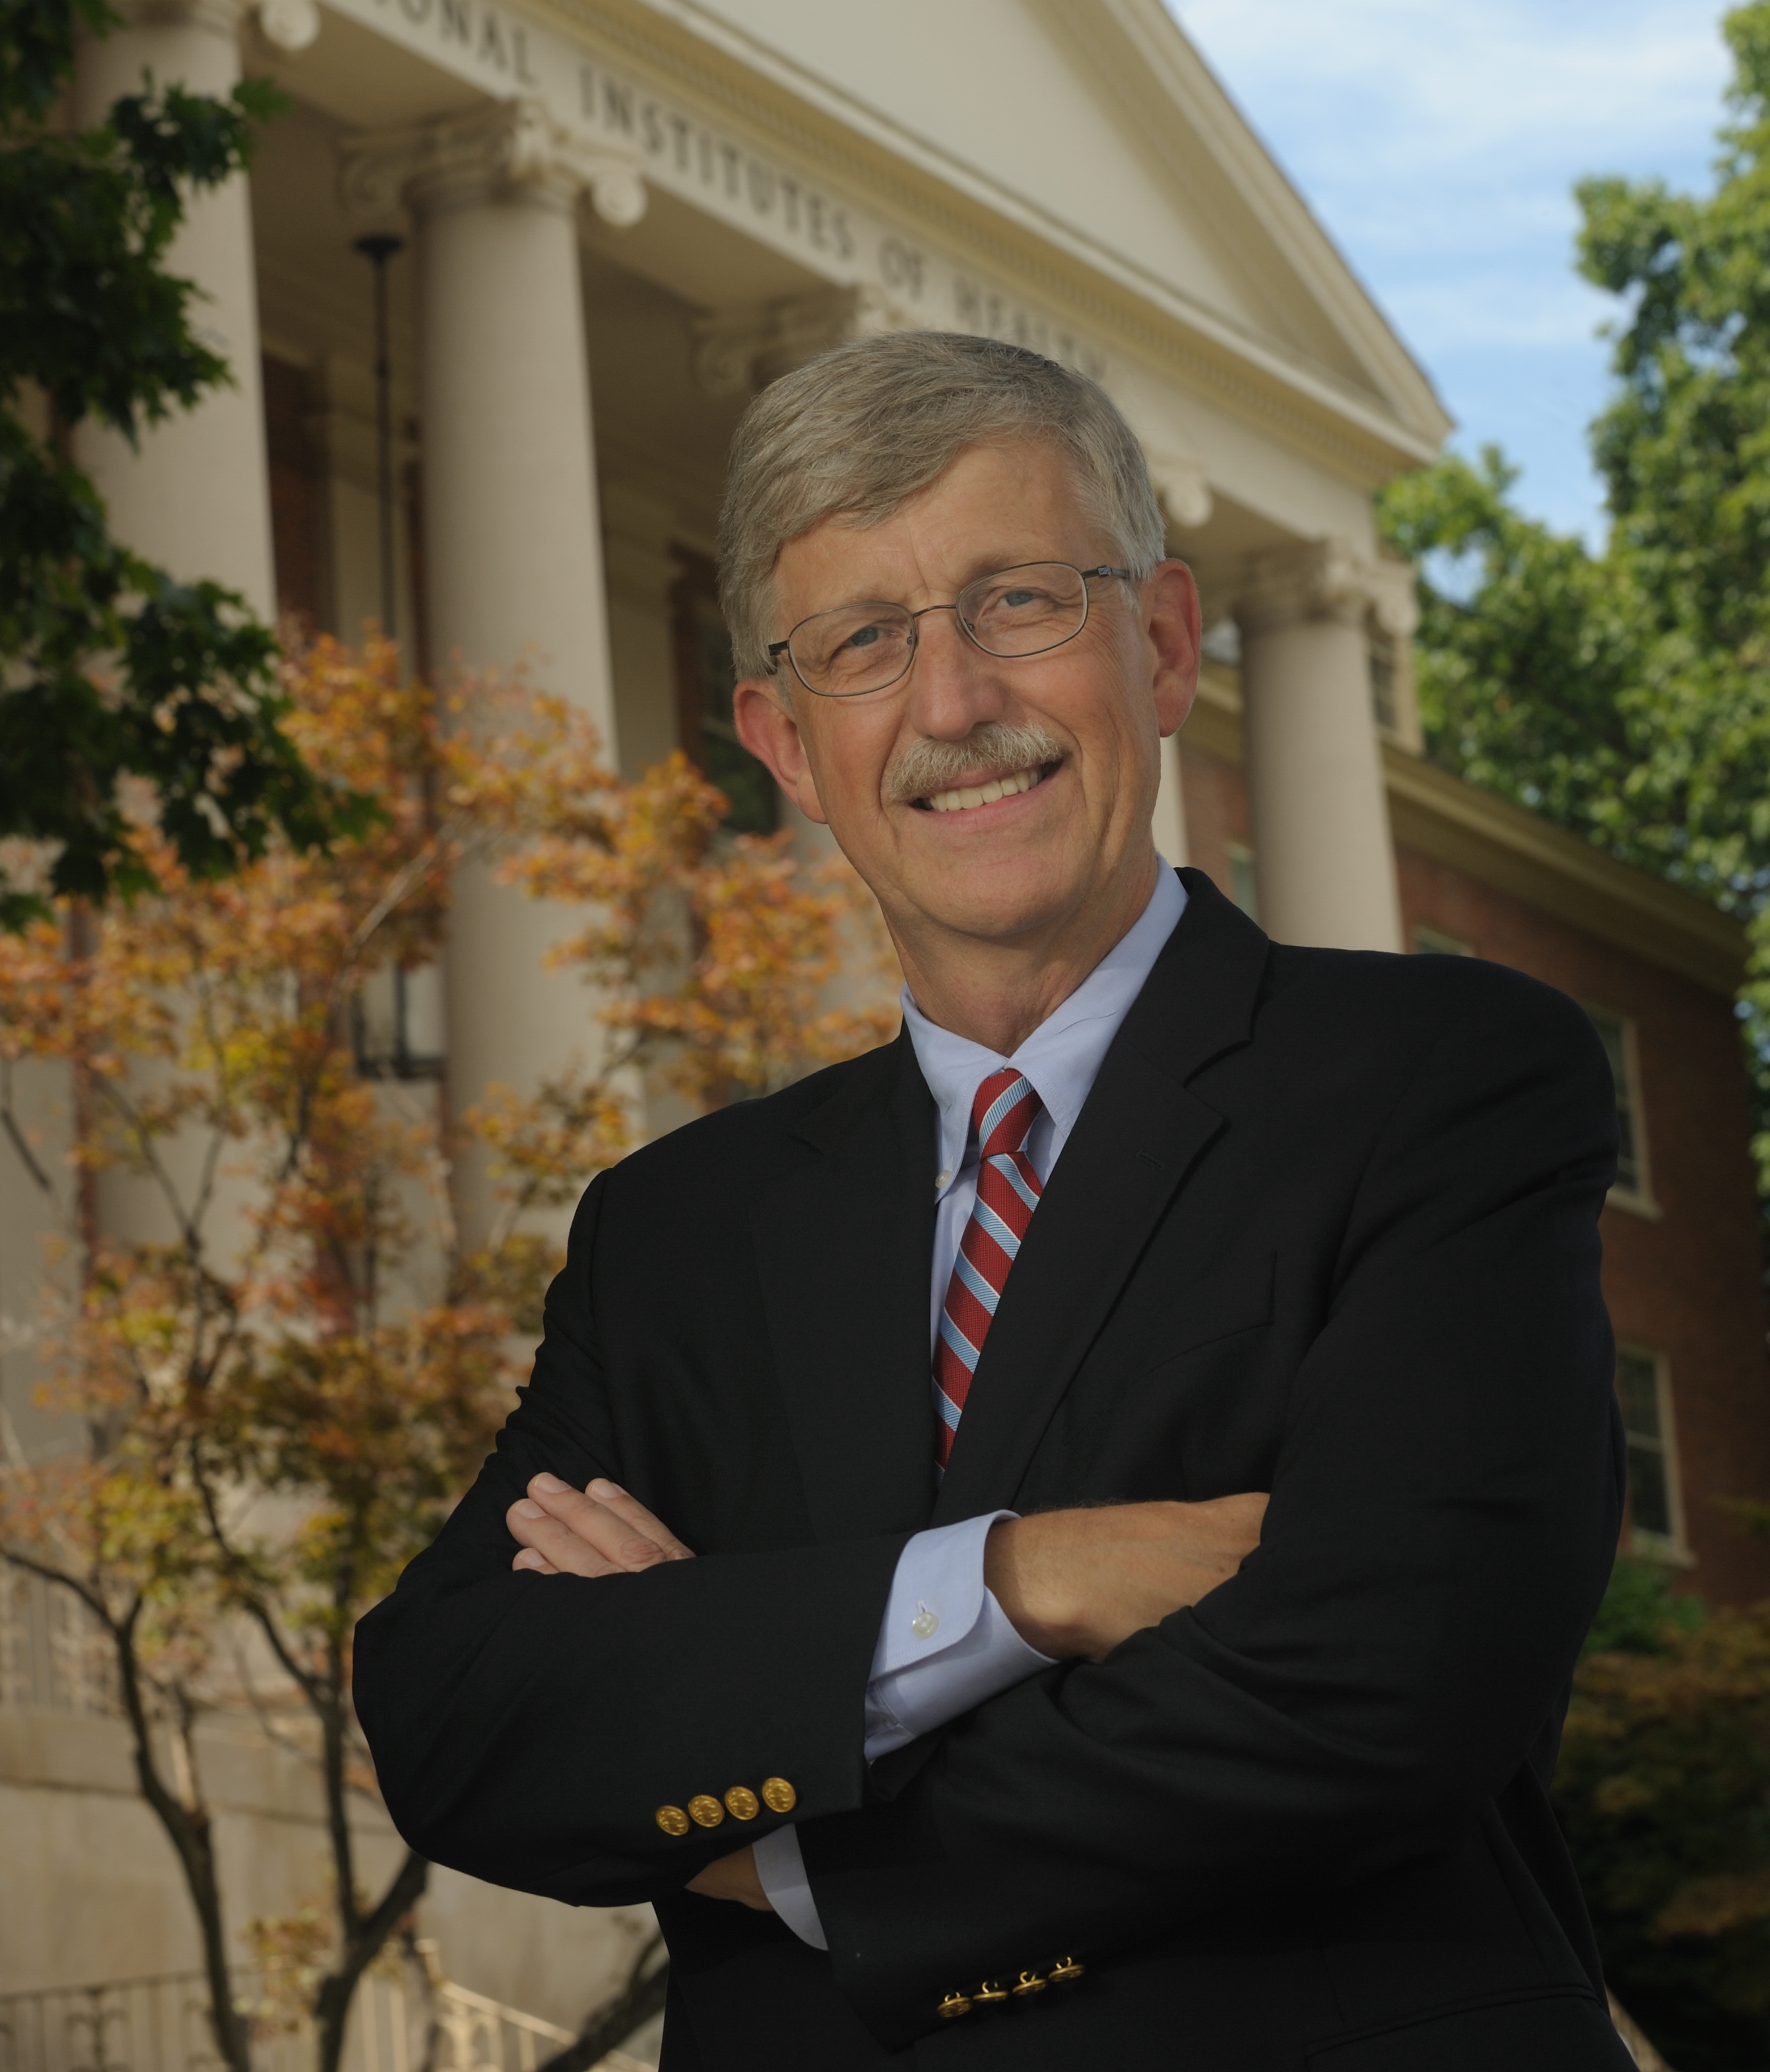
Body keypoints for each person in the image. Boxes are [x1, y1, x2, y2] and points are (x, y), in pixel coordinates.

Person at [353, 332, 1629, 2070]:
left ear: (1164, 643)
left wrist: (776, 1800)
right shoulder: (682, 1233)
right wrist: (1031, 1582)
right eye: (862, 643)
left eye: (1019, 601)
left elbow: (1389, 1679)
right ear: (786, 746)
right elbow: (457, 1714)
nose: (952, 703)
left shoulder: (1440, 1082)